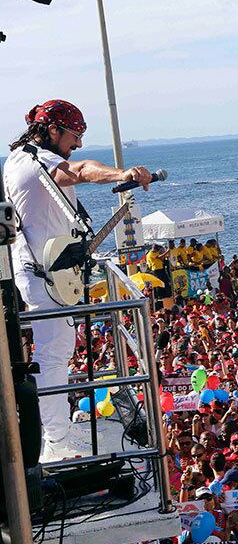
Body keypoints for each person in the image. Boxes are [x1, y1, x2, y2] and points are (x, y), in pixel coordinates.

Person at [3, 99, 153, 461]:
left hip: (46, 270)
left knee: (57, 353)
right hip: (44, 275)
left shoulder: (22, 160)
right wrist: (122, 174)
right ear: (52, 130)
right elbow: (82, 169)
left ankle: (58, 437)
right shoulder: (39, 164)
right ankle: (56, 444)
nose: (79, 144)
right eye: (75, 135)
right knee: (53, 357)